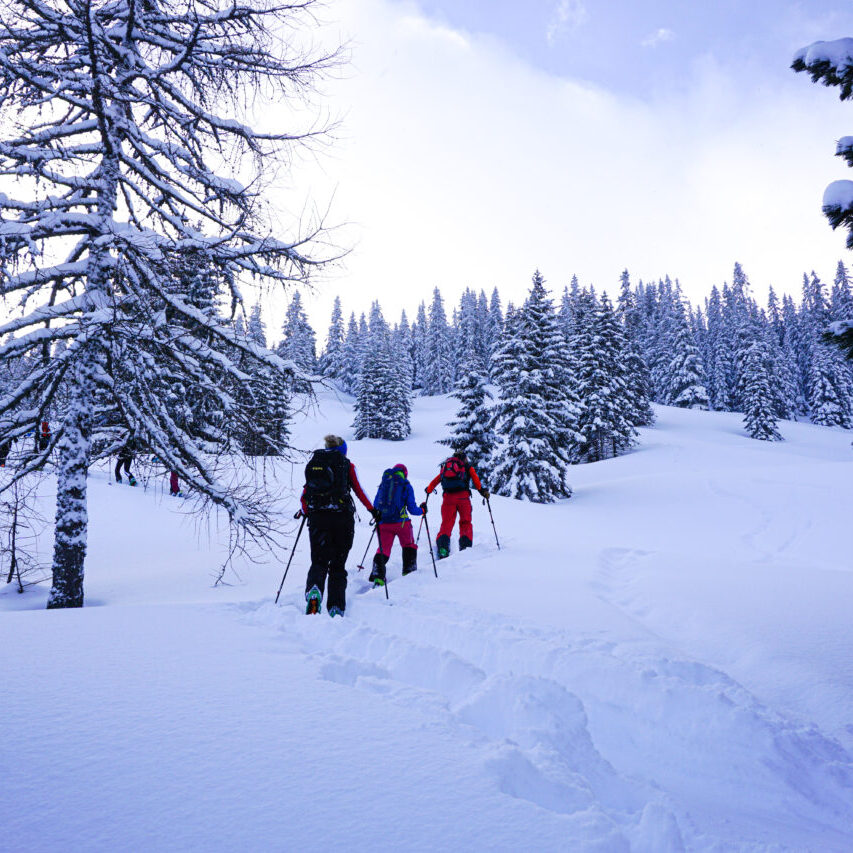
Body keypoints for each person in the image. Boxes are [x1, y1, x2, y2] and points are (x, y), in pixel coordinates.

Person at [300, 434, 377, 617]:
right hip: (342, 520)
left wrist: (306, 511)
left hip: (318, 519)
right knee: (338, 565)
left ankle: (314, 591)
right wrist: (373, 510)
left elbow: (305, 495)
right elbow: (359, 490)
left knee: (319, 561)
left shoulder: (316, 462)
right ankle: (336, 606)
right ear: (343, 450)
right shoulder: (347, 465)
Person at [424, 450, 489, 559]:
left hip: (448, 499)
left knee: (446, 523)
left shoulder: (447, 467)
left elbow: (437, 480)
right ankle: (465, 548)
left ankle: (443, 549)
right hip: (463, 498)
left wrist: (429, 490)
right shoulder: (467, 467)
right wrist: (482, 492)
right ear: (464, 458)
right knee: (465, 522)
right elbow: (477, 482)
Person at [369, 463, 426, 586]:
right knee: (408, 545)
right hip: (402, 524)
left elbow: (375, 504)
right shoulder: (405, 485)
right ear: (405, 474)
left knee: (383, 549)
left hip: (383, 523)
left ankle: (378, 576)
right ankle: (409, 572)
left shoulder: (383, 484)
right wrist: (422, 510)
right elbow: (412, 509)